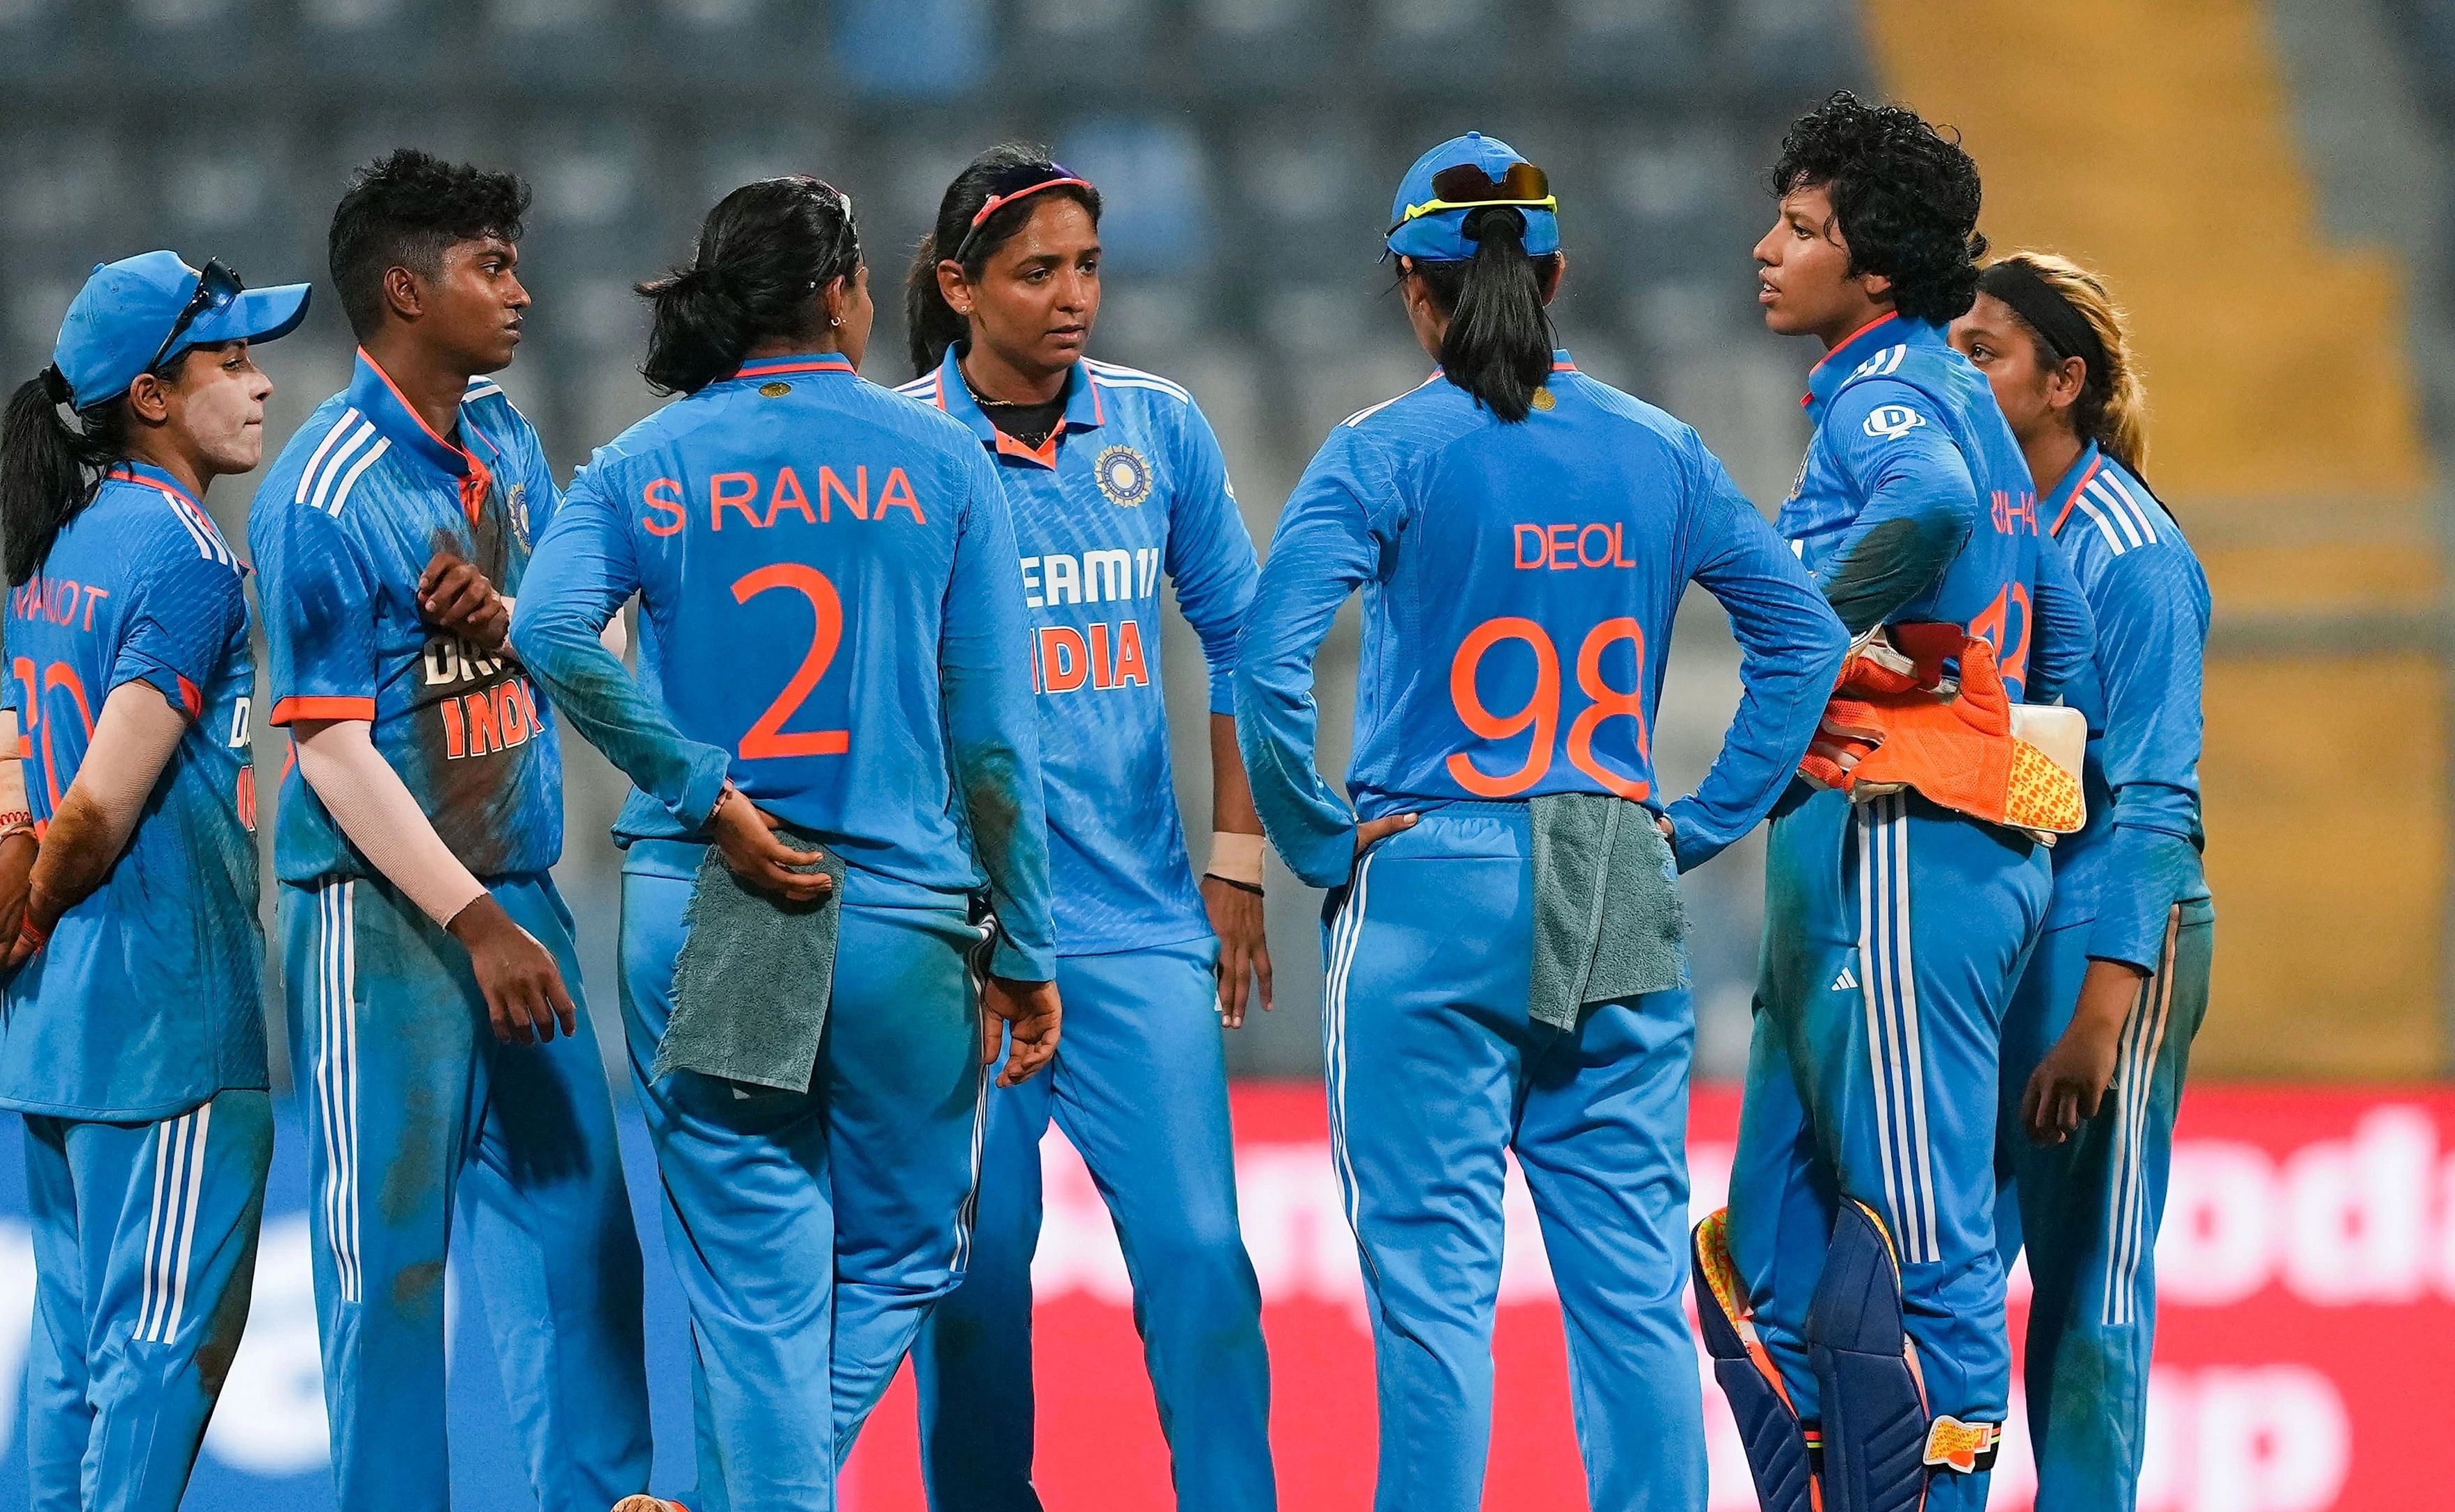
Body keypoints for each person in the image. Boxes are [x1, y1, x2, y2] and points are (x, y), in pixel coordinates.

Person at [1235, 131, 1845, 1512]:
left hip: (1429, 878)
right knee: (1629, 1289)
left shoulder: (1377, 452)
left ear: (1411, 282)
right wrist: (1689, 824)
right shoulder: (1661, 449)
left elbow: (1264, 666)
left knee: (1433, 1301)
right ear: (1555, 272)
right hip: (1614, 870)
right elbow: (1800, 643)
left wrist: (1322, 843)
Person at [508, 175, 1062, 1512]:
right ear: (836, 293)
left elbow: (547, 631)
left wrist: (704, 791)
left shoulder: (643, 462)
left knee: (753, 1284)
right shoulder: (945, 463)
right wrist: (1028, 946)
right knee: (907, 1255)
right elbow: (992, 745)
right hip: (893, 917)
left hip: (707, 905)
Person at [1697, 93, 2094, 1512]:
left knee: (1920, 1257)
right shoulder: (1954, 405)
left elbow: (1919, 510)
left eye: (1799, 230)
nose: (1765, 249)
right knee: (1767, 1263)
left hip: (1897, 853)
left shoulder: (1890, 392)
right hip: (1907, 848)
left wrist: (1806, 629)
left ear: (1869, 272)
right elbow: (2046, 629)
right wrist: (2020, 782)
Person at [246, 149, 649, 1512]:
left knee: (586, 1240)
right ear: (408, 290)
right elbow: (330, 742)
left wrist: (513, 617)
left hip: (517, 892)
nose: (523, 291)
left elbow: (581, 640)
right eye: (492, 266)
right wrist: (469, 918)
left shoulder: (509, 442)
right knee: (390, 1266)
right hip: (385, 925)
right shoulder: (320, 490)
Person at [893, 145, 1277, 1512]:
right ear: (957, 285)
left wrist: (1236, 857)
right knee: (976, 1286)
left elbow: (1244, 640)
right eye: (1036, 271)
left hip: (1139, 931)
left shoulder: (1156, 428)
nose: (1073, 298)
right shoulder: (898, 449)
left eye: (1088, 267)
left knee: (1200, 1259)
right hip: (960, 944)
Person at [0, 250, 307, 1511]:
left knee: (73, 1351)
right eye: (231, 361)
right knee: (165, 1353)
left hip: (54, 1014)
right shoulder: (189, 557)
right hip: (166, 1018)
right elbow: (97, 808)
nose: (260, 386)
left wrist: (1, 889)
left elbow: (10, 763)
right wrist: (19, 896)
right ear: (150, 392)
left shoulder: (61, 538)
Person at [1951, 253, 2211, 1511]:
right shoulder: (1985, 519)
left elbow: (2156, 808)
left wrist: (2100, 1017)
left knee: (2089, 1278)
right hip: (2010, 919)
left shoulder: (2135, 553)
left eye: (1982, 355)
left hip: (2111, 928)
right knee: (1950, 1272)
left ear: (2064, 384)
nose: (1957, 372)